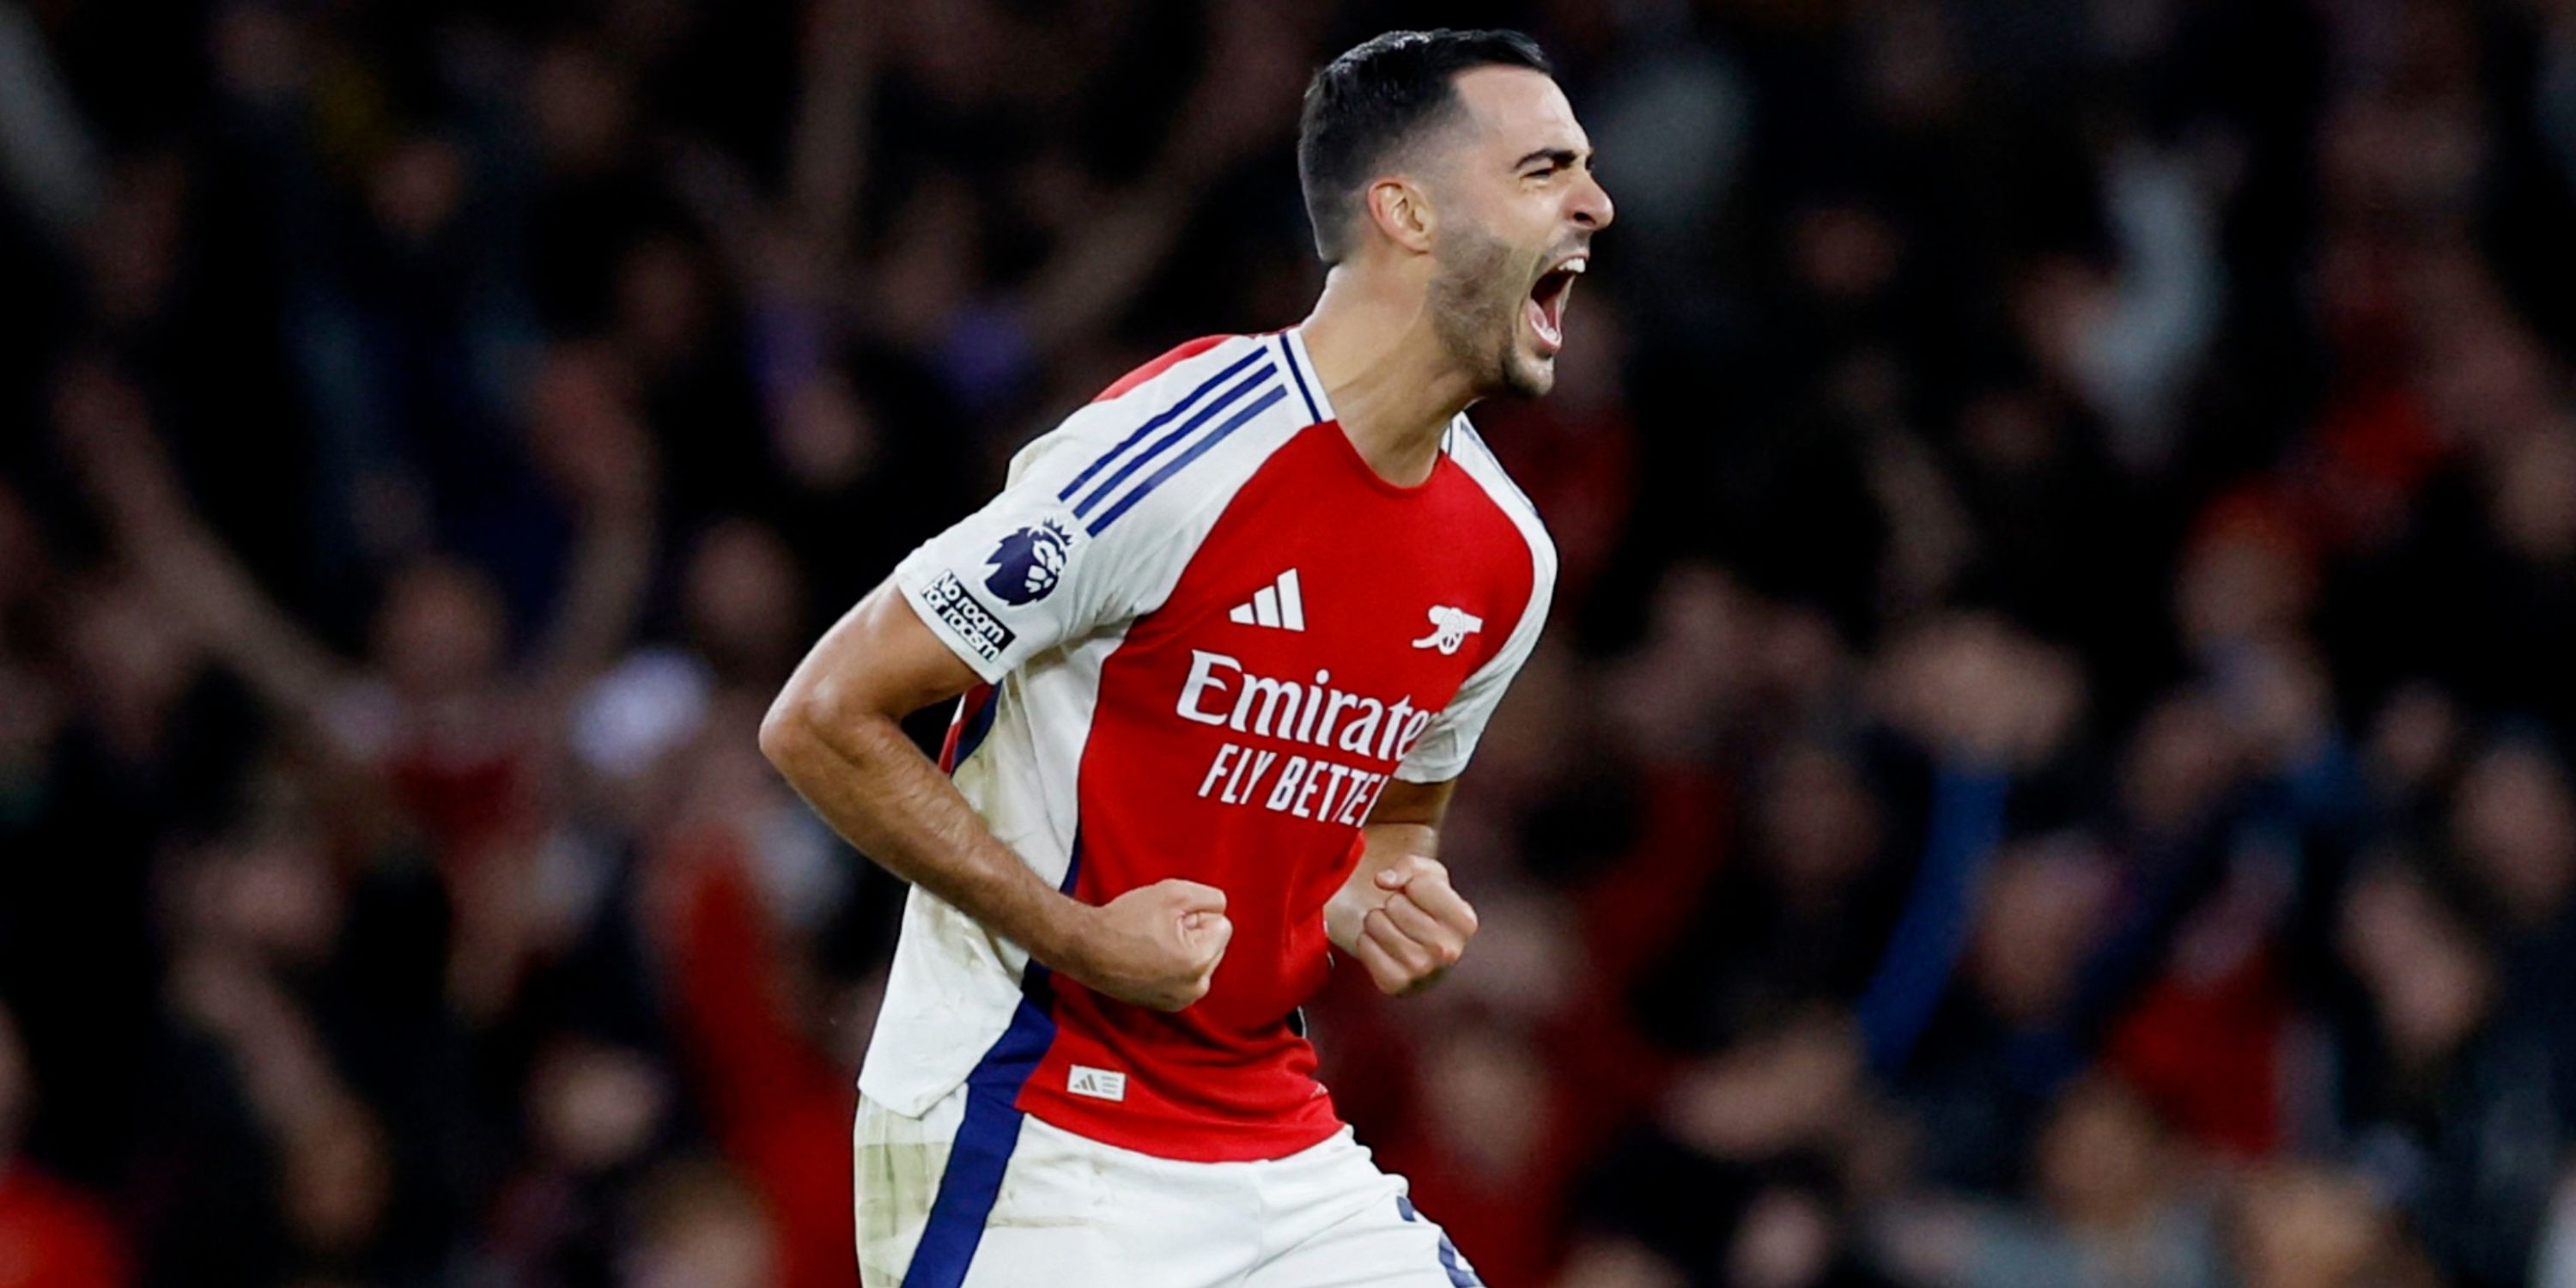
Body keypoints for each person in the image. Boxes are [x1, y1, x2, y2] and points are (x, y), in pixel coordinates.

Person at [760, 27, 1611, 1287]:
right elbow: (822, 717)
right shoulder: (1177, 453)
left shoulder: (1506, 560)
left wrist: (1374, 891)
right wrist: (1080, 938)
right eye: (1546, 170)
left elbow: (1388, 829)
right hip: (1030, 1126)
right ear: (1406, 212)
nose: (1597, 202)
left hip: (1274, 1137)